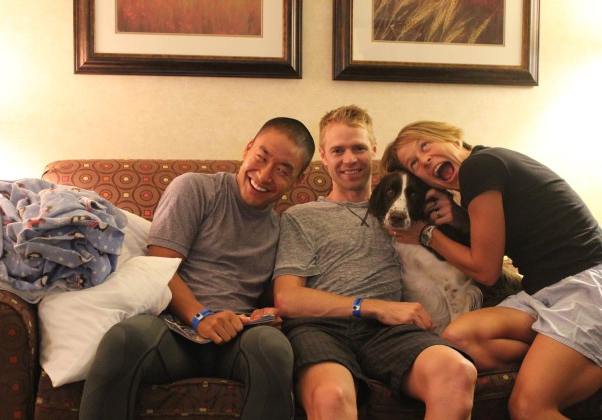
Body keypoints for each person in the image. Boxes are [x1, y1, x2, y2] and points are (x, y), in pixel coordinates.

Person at [78, 117, 315, 420]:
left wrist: (267, 313)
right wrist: (201, 317)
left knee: (275, 347)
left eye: (282, 171)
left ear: (296, 180)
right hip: (173, 329)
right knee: (123, 339)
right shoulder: (195, 189)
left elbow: (274, 294)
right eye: (261, 157)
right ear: (248, 149)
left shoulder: (283, 228)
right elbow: (159, 266)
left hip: (236, 337)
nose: (264, 175)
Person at [384, 120, 602, 419]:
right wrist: (461, 219)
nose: (425, 160)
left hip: (584, 284)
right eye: (414, 163)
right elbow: (503, 235)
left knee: (528, 408)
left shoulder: (480, 166)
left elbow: (486, 272)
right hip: (542, 292)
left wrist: (425, 234)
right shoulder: (481, 174)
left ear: (452, 138)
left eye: (425, 146)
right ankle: (565, 356)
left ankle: (569, 355)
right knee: (457, 338)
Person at [273, 105, 477, 420]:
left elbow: (474, 250)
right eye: (338, 150)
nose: (350, 159)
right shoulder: (301, 216)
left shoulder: (406, 211)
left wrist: (457, 216)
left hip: (388, 332)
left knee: (457, 371)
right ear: (323, 157)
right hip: (320, 328)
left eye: (359, 148)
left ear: (374, 150)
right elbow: (287, 298)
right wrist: (373, 307)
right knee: (332, 395)